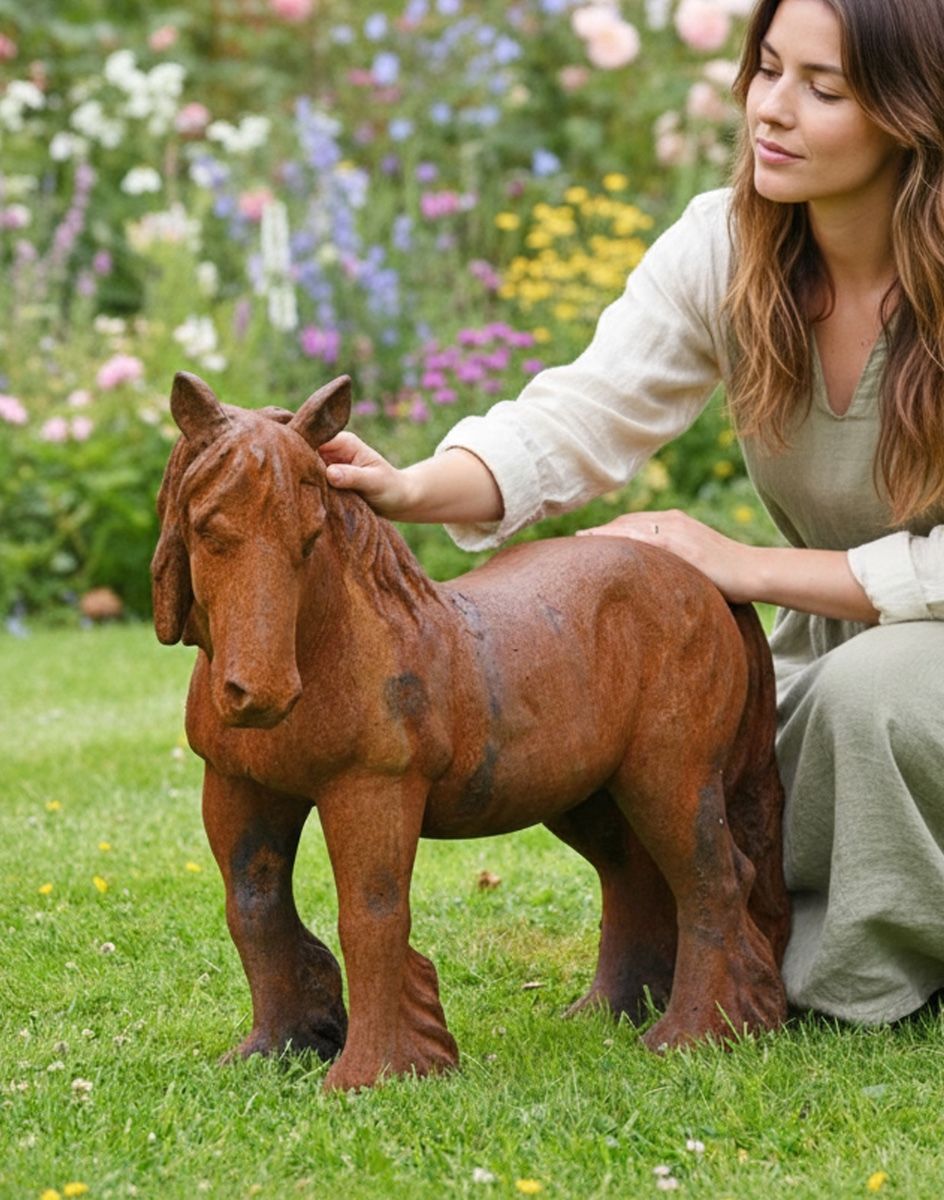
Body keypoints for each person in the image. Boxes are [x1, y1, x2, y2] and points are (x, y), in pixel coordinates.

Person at [319, 0, 944, 1025]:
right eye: (766, 69)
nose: (770, 111)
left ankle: (854, 980)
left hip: (891, 675)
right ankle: (762, 933)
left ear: (909, 115)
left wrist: (740, 563)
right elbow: (581, 413)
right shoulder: (728, 243)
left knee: (867, 698)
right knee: (643, 729)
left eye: (821, 90)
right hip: (828, 663)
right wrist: (411, 486)